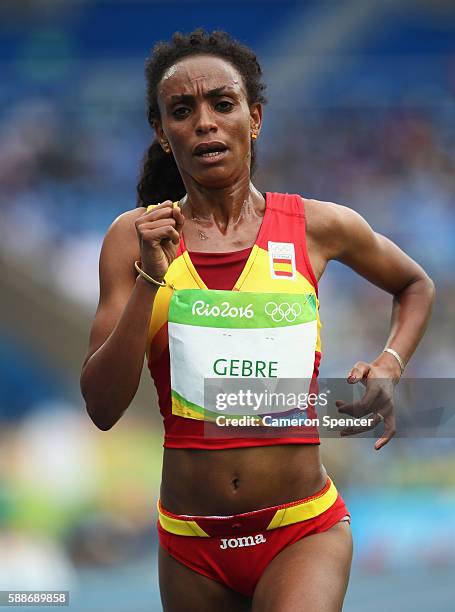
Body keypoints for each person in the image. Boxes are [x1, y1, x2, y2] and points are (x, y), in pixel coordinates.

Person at [80, 29, 435, 612]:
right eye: (182, 111)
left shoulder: (318, 227)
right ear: (163, 136)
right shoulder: (134, 238)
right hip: (192, 543)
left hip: (301, 530)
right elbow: (101, 406)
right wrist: (150, 277)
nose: (204, 122)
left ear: (255, 118)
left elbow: (415, 283)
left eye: (223, 104)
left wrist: (390, 365)